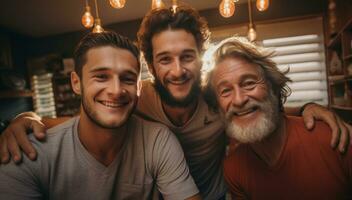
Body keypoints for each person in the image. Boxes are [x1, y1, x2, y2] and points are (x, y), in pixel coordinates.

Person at [0, 5, 351, 200]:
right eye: (165, 59)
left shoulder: (218, 98)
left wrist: (309, 109)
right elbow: (84, 120)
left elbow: (256, 106)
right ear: (151, 68)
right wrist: (27, 119)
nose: (178, 70)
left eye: (187, 57)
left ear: (201, 59)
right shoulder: (133, 100)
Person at [0, 31, 201, 200]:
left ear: (139, 87)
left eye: (128, 79)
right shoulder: (26, 154)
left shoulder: (158, 140)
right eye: (101, 77)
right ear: (76, 83)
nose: (116, 90)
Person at [204, 36, 352, 199]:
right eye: (225, 91)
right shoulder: (234, 168)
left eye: (249, 83)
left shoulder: (335, 138)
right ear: (218, 107)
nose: (239, 100)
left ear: (273, 87)